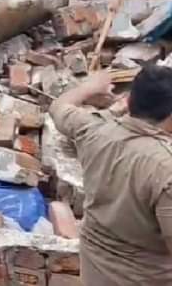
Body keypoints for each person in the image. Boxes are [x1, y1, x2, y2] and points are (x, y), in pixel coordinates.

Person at [50, 66, 172, 285]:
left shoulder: (93, 130)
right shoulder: (165, 168)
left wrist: (89, 87)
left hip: (95, 274)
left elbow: (59, 107)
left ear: (130, 100)